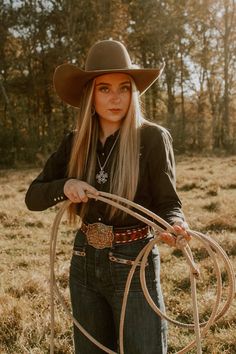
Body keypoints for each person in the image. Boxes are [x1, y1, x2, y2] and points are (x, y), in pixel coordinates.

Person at [25, 39, 190, 354]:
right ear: (90, 94)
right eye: (104, 89)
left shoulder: (152, 138)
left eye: (123, 88)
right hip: (84, 260)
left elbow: (169, 202)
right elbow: (33, 197)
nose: (115, 98)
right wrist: (65, 185)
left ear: (133, 93)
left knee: (146, 348)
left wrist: (174, 224)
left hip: (135, 260)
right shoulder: (74, 143)